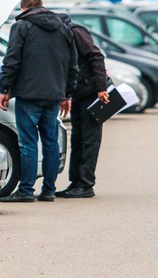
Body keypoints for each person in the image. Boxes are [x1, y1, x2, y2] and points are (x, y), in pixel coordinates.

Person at [0, 0, 78, 203]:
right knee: (51, 141)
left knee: (28, 143)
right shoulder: (63, 28)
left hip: (28, 93)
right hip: (54, 95)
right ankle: (49, 190)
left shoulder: (22, 27)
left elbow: (12, 59)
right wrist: (67, 94)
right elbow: (72, 64)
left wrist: (4, 89)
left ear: (24, 9)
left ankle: (25, 190)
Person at [56, 14, 110, 199]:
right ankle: (76, 182)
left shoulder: (76, 32)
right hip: (79, 93)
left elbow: (96, 56)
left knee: (89, 140)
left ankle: (86, 184)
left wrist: (101, 88)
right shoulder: (65, 33)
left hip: (92, 94)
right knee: (78, 139)